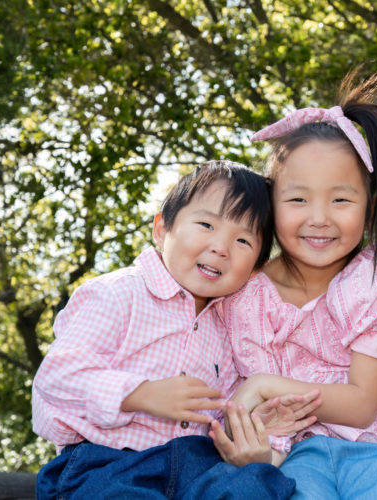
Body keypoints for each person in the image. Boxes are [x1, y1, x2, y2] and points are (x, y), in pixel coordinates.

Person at [212, 68, 377, 498]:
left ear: (370, 206)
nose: (319, 217)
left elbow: (361, 406)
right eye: (298, 199)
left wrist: (266, 386)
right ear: (272, 203)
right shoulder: (242, 293)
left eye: (341, 199)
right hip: (292, 458)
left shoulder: (374, 283)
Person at [32, 160, 319, 500]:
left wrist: (257, 431)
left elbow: (221, 412)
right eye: (205, 224)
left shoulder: (230, 330)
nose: (221, 247)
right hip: (107, 463)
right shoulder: (117, 294)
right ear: (161, 229)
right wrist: (138, 394)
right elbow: (56, 378)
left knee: (258, 485)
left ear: (255, 270)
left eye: (243, 240)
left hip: (195, 469)